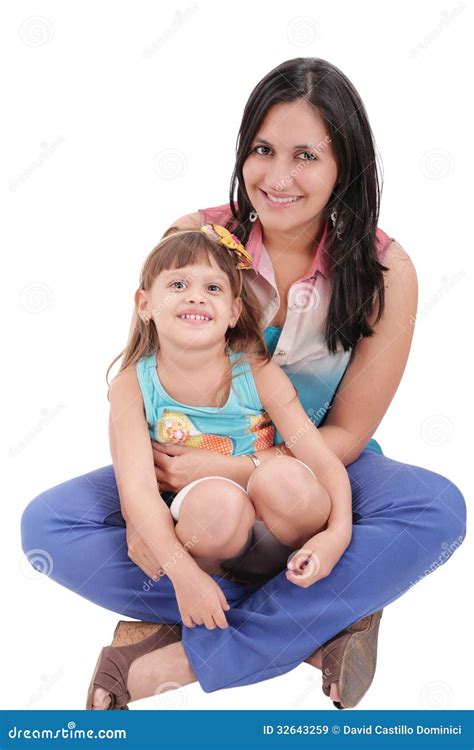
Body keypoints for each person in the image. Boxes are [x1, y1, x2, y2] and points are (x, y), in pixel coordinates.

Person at [21, 57, 466, 711]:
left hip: (309, 472)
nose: (278, 177)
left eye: (306, 156)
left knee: (438, 510)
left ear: (345, 166)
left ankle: (179, 656)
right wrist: (160, 515)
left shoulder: (385, 271)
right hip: (182, 473)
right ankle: (318, 619)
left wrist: (241, 470)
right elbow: (144, 379)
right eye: (263, 150)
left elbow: (345, 432)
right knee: (49, 525)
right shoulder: (193, 241)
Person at [86, 224, 353, 709]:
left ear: (233, 311)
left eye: (212, 287)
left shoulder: (256, 372)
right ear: (144, 303)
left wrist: (337, 535)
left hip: (282, 530)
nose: (196, 297)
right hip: (209, 537)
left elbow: (322, 461)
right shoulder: (133, 385)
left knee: (283, 476)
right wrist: (187, 579)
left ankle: (267, 611)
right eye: (178, 285)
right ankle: (248, 613)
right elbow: (138, 495)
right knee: (217, 504)